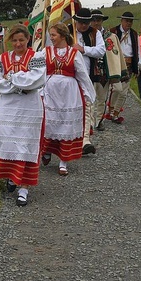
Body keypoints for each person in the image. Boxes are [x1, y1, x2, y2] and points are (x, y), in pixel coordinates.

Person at [0, 25, 47, 207]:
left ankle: (24, 187)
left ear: (28, 39)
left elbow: (37, 79)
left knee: (26, 143)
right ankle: (12, 177)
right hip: (7, 107)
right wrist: (21, 82)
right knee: (6, 140)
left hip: (29, 107)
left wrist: (11, 78)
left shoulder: (36, 57)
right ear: (9, 41)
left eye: (21, 40)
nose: (18, 43)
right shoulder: (2, 58)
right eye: (14, 40)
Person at [40, 22, 96, 177]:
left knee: (66, 125)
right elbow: (37, 70)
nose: (51, 38)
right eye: (50, 35)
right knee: (49, 122)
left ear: (63, 36)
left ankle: (63, 162)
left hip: (69, 94)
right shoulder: (46, 52)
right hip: (51, 92)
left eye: (53, 35)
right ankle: (46, 151)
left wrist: (88, 94)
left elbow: (82, 74)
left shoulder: (74, 53)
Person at [71, 8, 105, 155]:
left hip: (88, 75)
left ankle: (85, 141)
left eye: (86, 23)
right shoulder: (68, 31)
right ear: (75, 21)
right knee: (72, 107)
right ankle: (70, 139)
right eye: (81, 23)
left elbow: (101, 50)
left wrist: (83, 49)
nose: (84, 26)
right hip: (70, 76)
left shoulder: (95, 33)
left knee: (87, 105)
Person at [107, 11, 139, 124]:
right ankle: (110, 110)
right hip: (116, 63)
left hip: (129, 65)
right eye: (126, 21)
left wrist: (136, 68)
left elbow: (136, 51)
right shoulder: (113, 32)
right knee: (116, 88)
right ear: (121, 21)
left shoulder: (134, 34)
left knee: (124, 92)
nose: (128, 23)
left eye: (130, 21)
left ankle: (115, 113)